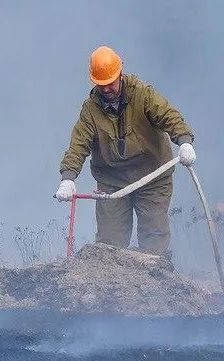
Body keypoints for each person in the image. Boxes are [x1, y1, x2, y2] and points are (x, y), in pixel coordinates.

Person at [54, 45, 196, 256]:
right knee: (109, 246)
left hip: (152, 178)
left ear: (120, 74)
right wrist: (68, 178)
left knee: (153, 241)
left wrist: (184, 141)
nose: (105, 89)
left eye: (109, 83)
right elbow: (78, 144)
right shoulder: (90, 110)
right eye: (100, 84)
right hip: (113, 183)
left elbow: (170, 116)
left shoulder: (143, 94)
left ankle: (155, 277)